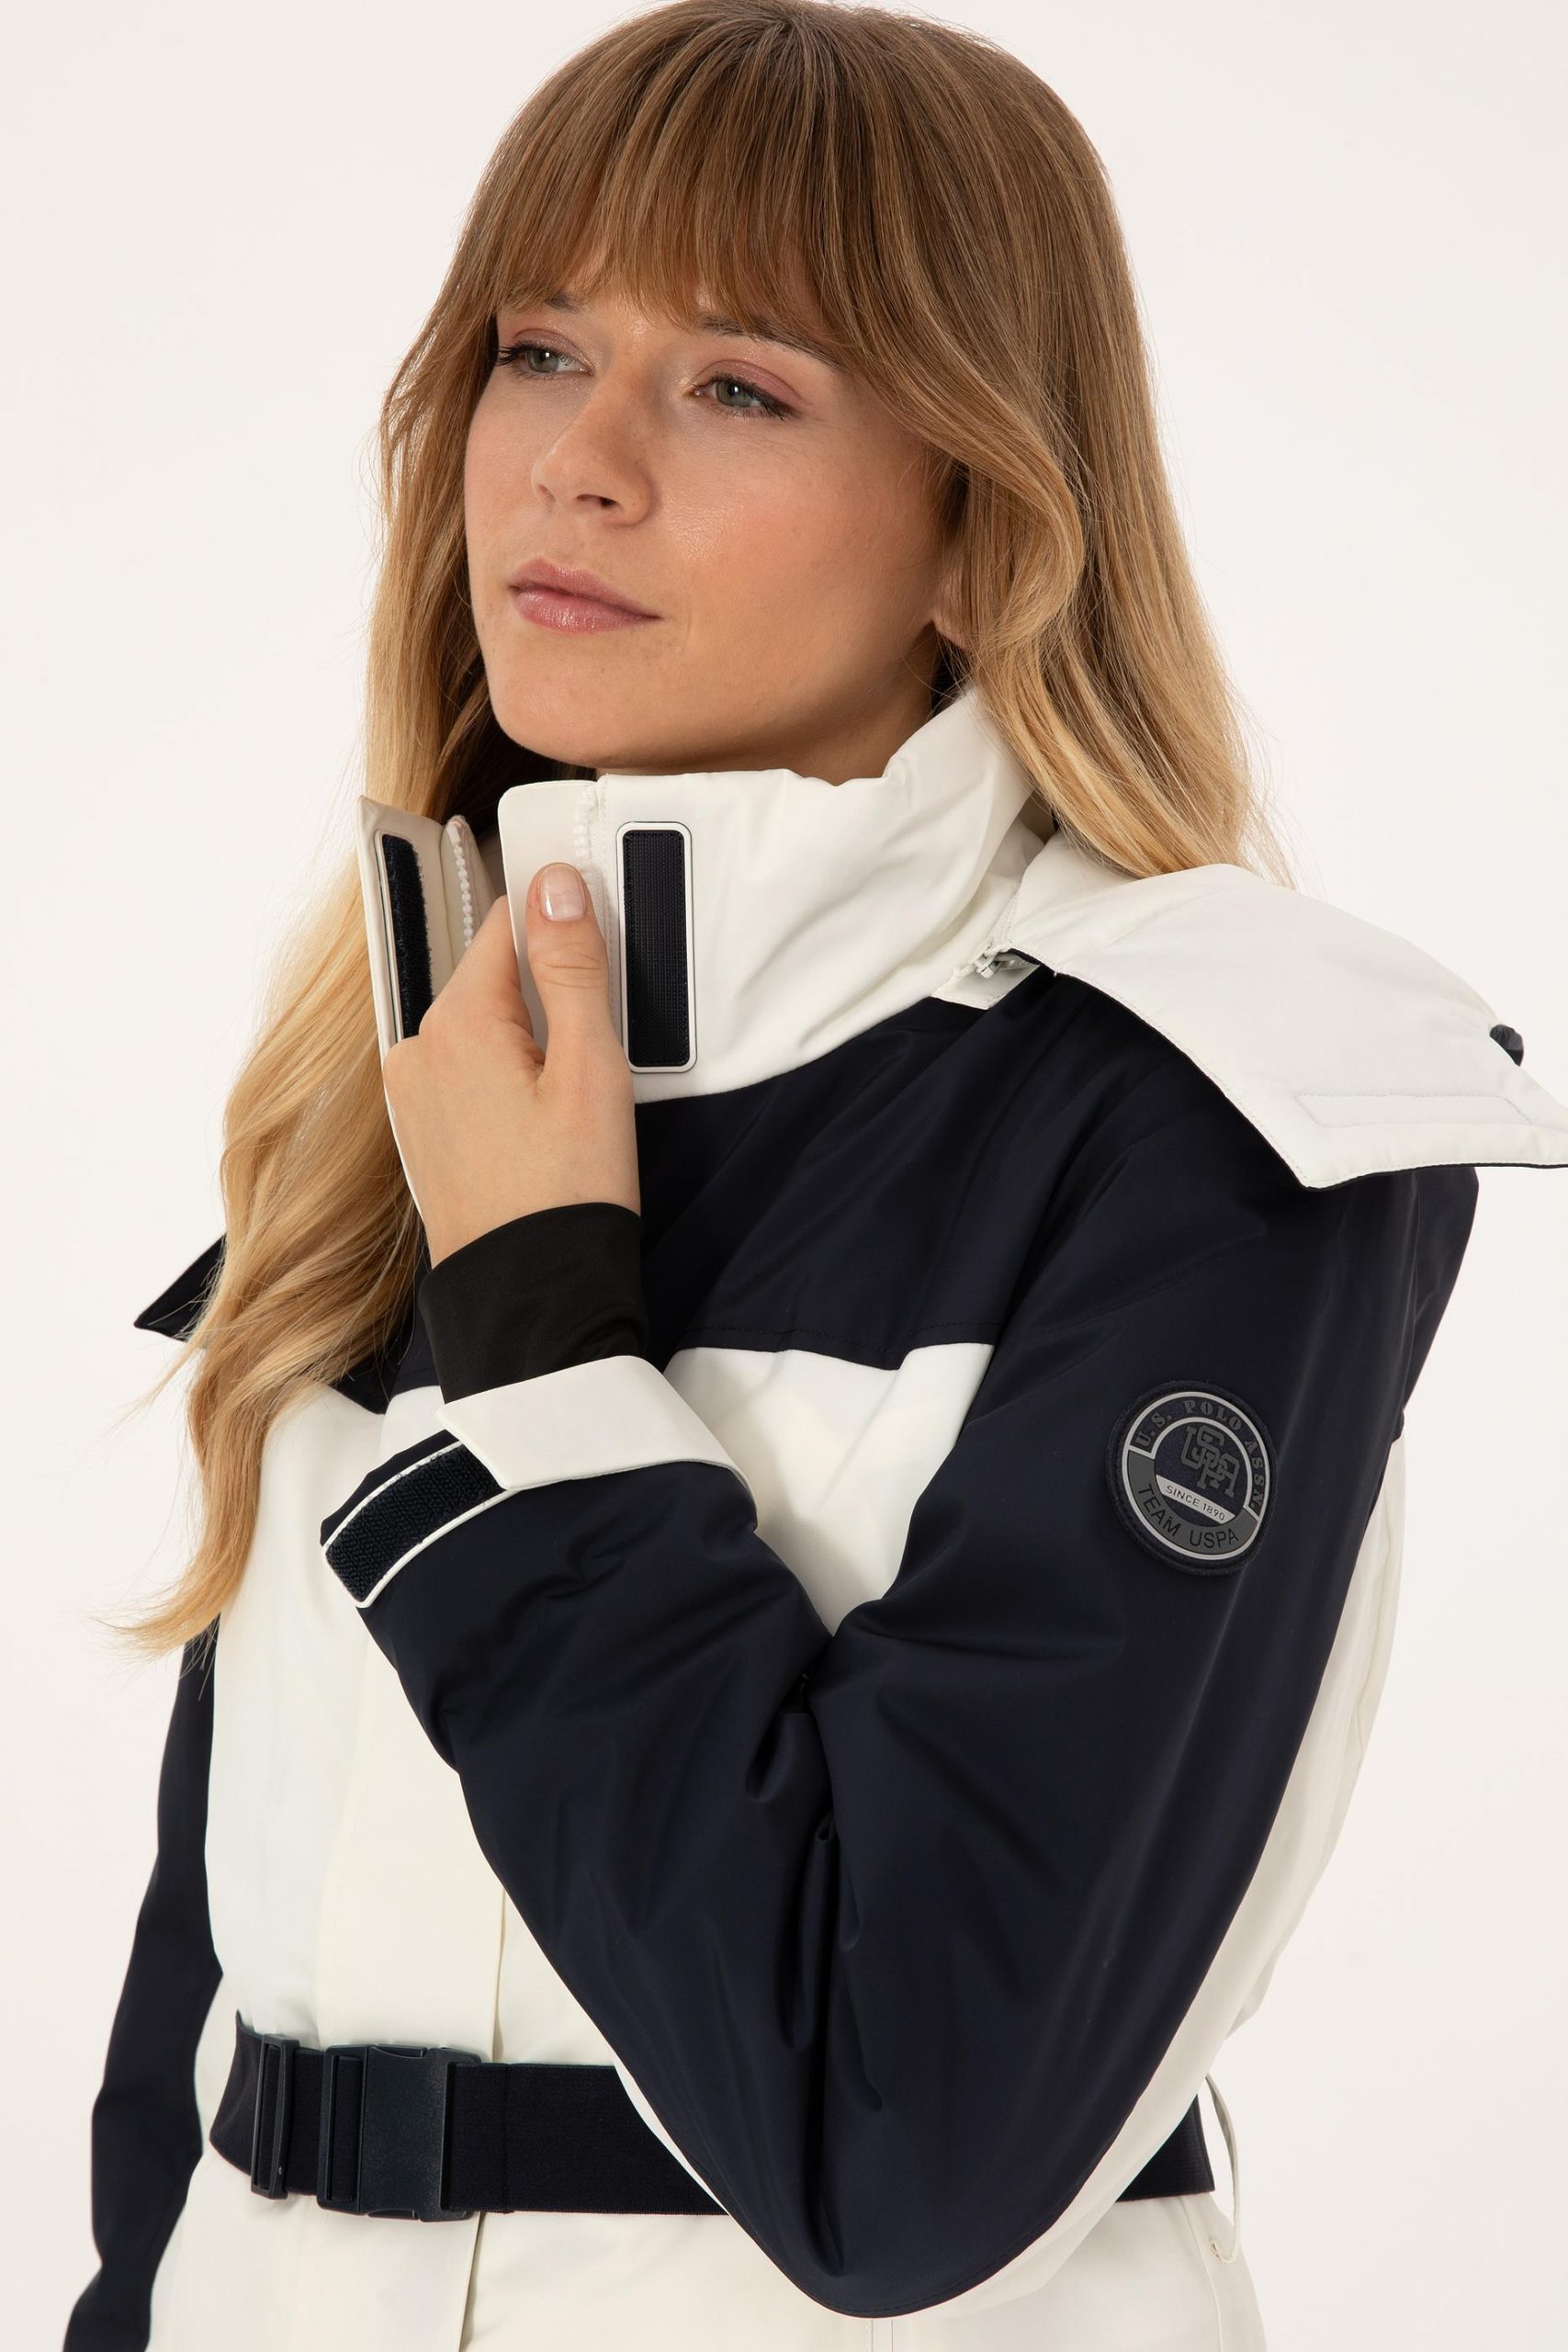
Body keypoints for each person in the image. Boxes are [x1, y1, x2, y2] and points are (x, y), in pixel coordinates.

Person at [63, 5, 1568, 2348]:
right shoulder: (406, 1071)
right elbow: (214, 2026)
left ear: (983, 522)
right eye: (537, 349)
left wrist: (548, 1330)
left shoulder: (1216, 1112)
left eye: (738, 385)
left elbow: (902, 2139)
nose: (578, 465)